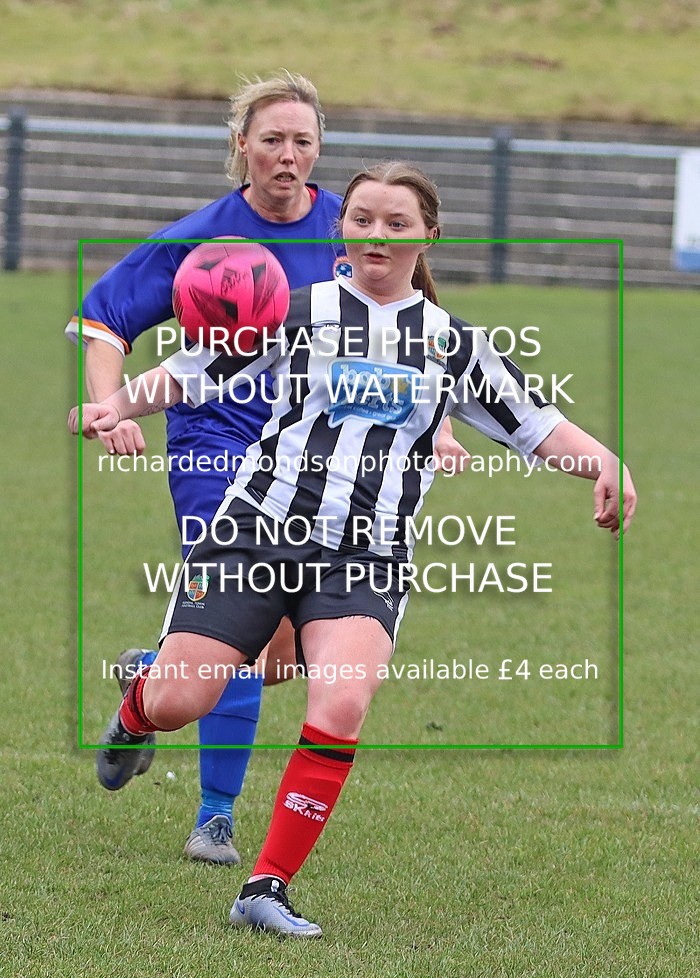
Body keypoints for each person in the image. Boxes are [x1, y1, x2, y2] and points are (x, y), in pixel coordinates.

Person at [70, 161, 637, 938]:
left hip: (366, 558)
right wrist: (109, 408)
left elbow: (535, 427)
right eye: (363, 217)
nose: (376, 233)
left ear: (428, 234)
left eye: (396, 222)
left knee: (339, 701)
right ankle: (138, 707)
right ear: (344, 227)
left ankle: (265, 887)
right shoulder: (294, 313)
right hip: (255, 536)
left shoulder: (455, 346)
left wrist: (604, 460)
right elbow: (185, 374)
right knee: (181, 700)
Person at [67, 71, 469, 865]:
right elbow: (103, 316)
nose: (288, 156)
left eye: (304, 142)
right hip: (215, 447)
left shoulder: (351, 227)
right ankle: (216, 816)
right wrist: (111, 405)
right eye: (272, 139)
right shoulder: (200, 237)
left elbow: (411, 330)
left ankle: (153, 681)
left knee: (280, 650)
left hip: (319, 453)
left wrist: (443, 423)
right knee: (247, 636)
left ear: (320, 150)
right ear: (240, 146)